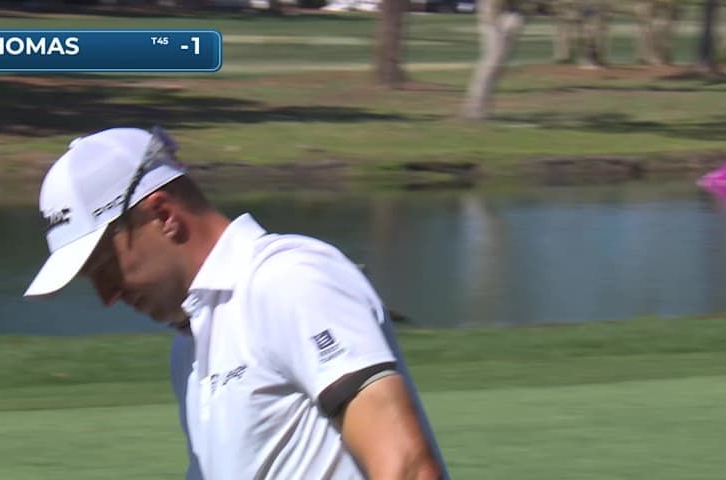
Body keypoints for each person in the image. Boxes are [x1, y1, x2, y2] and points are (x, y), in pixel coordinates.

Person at [24, 126, 448, 479]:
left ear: (164, 215)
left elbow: (408, 468)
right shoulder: (190, 348)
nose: (108, 296)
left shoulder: (288, 280)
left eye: (107, 267)